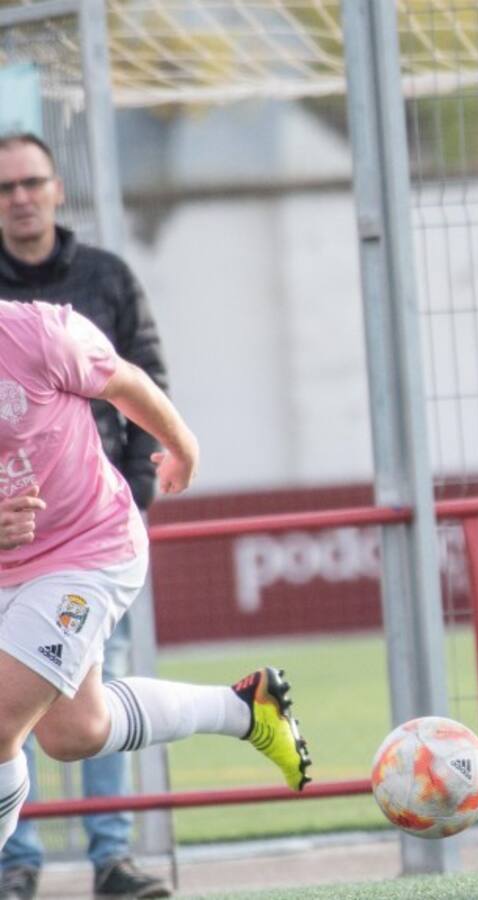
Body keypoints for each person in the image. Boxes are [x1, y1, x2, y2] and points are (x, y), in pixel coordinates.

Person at [0, 298, 312, 892]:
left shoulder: (38, 333)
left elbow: (125, 381)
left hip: (85, 551)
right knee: (75, 733)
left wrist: (183, 443)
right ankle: (245, 708)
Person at [0, 131, 170, 900]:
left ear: (56, 188)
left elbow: (138, 376)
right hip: (11, 548)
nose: (20, 197)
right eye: (5, 187)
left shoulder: (88, 290)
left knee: (9, 712)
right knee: (73, 726)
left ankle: (110, 854)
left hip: (87, 536)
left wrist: (148, 474)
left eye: (32, 181)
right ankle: (244, 707)